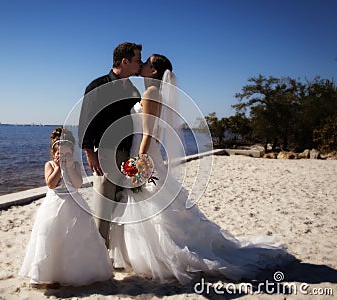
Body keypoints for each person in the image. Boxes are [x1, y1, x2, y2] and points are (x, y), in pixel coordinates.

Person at [109, 54, 295, 284]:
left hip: (144, 152)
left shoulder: (151, 93)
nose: (143, 65)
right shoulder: (155, 93)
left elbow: (148, 133)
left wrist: (139, 162)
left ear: (155, 71)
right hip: (149, 152)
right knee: (152, 203)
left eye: (147, 63)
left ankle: (155, 257)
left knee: (151, 204)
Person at [19, 127, 113, 286]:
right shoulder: (49, 165)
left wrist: (68, 167)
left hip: (73, 203)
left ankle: (79, 272)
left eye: (67, 154)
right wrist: (58, 168)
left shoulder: (75, 165)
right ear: (53, 153)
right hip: (53, 204)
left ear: (72, 153)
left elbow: (76, 184)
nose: (63, 157)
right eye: (60, 154)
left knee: (77, 237)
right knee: (51, 237)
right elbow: (51, 184)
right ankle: (52, 272)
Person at [78, 42, 142, 247]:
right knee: (103, 210)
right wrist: (90, 153)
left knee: (121, 207)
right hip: (106, 154)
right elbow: (86, 120)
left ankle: (115, 252)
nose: (140, 64)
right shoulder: (97, 86)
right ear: (125, 61)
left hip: (128, 153)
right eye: (137, 60)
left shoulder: (132, 89)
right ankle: (98, 255)